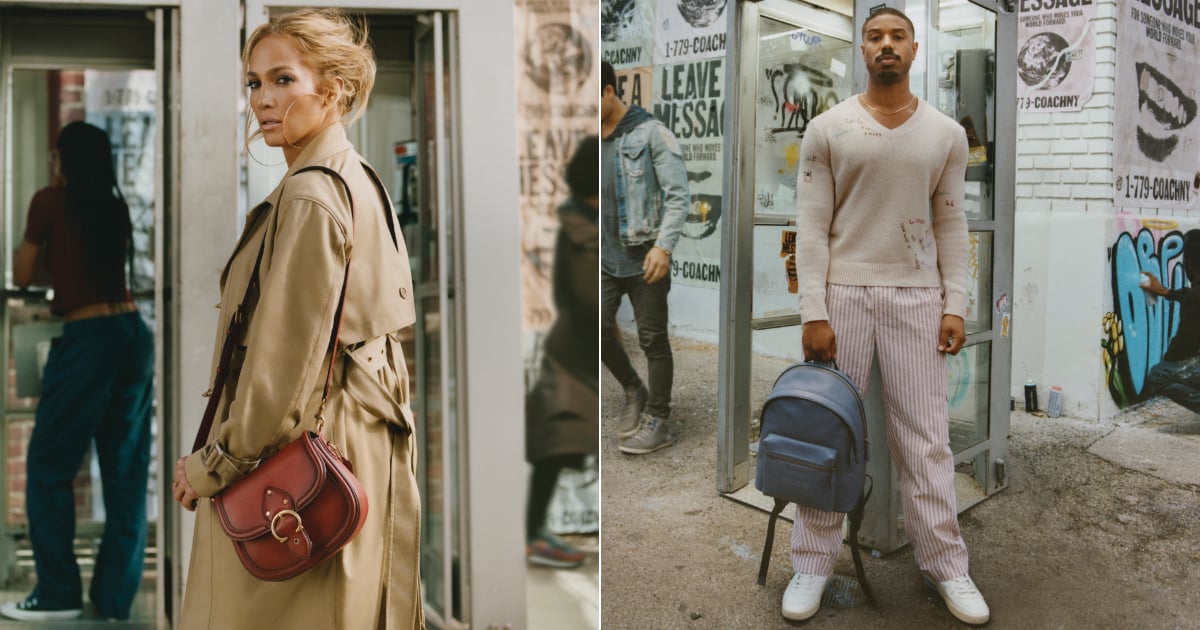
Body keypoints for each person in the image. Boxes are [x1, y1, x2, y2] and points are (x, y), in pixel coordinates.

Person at [170, 9, 423, 628]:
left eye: (283, 80)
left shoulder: (312, 195)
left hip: (300, 463)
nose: (263, 99)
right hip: (349, 448)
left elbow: (281, 368)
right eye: (254, 82)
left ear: (331, 90)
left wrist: (211, 466)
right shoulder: (354, 179)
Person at [786, 8, 989, 625]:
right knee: (828, 431)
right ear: (862, 49)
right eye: (874, 37)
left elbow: (952, 222)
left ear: (915, 48)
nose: (886, 45)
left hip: (916, 299)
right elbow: (811, 228)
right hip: (844, 296)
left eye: (897, 36)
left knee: (925, 439)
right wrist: (813, 309)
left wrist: (956, 302)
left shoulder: (946, 134)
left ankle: (947, 564)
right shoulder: (829, 128)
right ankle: (812, 564)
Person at [0, 122, 153, 622]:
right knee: (125, 476)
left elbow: (24, 274)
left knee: (47, 467)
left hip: (87, 341)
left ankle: (58, 592)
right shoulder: (114, 206)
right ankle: (112, 600)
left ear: (63, 159)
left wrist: (47, 264)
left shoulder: (49, 201)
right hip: (132, 335)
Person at [600, 60, 689, 455]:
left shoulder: (651, 132)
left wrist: (663, 246)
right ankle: (634, 389)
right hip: (603, 257)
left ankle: (659, 420)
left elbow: (678, 196)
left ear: (607, 91)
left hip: (644, 257)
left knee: (652, 339)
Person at [524, 135, 599, 568]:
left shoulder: (581, 218)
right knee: (556, 444)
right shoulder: (581, 225)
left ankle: (534, 532)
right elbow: (587, 301)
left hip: (573, 351)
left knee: (558, 445)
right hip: (574, 355)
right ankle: (533, 535)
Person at [1142, 230, 1200, 410]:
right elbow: (1188, 294)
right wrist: (1165, 292)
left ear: (1189, 263)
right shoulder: (1193, 295)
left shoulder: (1195, 297)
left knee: (1158, 375)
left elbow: (1184, 343)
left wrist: (1168, 361)